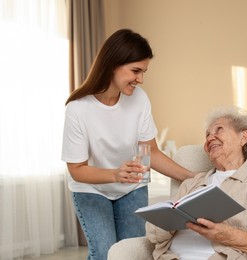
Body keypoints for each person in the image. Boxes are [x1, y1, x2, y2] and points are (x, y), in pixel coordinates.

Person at [61, 28, 194, 260]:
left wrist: (193, 177)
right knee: (104, 253)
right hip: (91, 188)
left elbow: (150, 152)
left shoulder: (139, 99)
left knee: (132, 253)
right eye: (135, 71)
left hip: (131, 188)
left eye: (143, 72)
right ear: (113, 64)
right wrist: (115, 174)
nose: (140, 79)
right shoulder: (78, 109)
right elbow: (77, 169)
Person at [146, 106, 247, 259]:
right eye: (207, 135)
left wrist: (226, 234)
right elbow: (154, 236)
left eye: (219, 130)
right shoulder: (193, 183)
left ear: (243, 137)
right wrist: (167, 221)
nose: (210, 138)